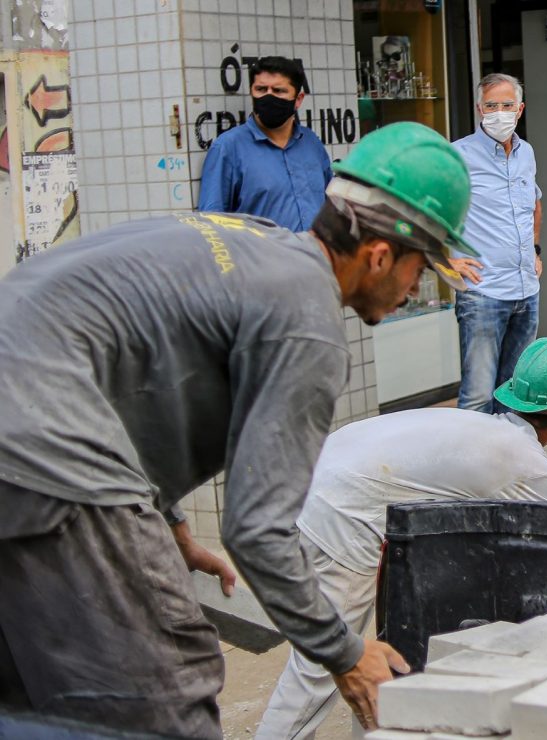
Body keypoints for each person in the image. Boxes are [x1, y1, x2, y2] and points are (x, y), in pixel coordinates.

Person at [0, 122, 481, 737]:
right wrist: (345, 653)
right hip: (43, 451)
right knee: (170, 686)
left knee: (35, 696)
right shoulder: (309, 326)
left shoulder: (250, 242)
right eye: (421, 270)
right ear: (381, 255)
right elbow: (257, 533)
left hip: (30, 434)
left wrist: (168, 524)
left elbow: (129, 363)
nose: (418, 289)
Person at [256, 337, 547, 739]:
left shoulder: (479, 425)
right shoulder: (531, 470)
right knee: (321, 665)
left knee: (377, 643)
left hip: (312, 478)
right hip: (340, 512)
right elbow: (543, 559)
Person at [449, 73, 543, 414]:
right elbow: (424, 211)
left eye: (506, 105)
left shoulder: (525, 152)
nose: (499, 112)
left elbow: (534, 201)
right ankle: (472, 467)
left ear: (520, 109)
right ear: (479, 109)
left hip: (526, 290)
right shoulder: (456, 155)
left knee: (516, 392)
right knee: (477, 395)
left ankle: (507, 464)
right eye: (491, 105)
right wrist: (447, 261)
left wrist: (535, 249)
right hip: (483, 293)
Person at [198, 56, 332, 232]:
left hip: (314, 256)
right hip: (260, 257)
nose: (269, 97)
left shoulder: (311, 143)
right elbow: (212, 222)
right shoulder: (228, 148)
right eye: (261, 89)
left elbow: (330, 204)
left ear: (298, 99)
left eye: (278, 91)